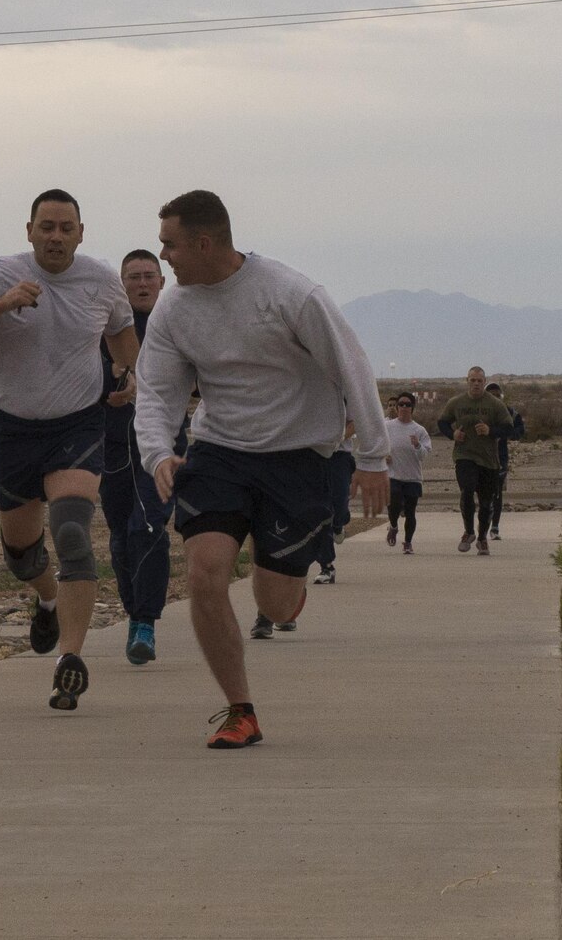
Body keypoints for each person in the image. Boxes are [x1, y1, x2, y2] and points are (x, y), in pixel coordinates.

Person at [134, 190, 388, 749]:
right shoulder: (175, 309)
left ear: (203, 243)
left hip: (297, 459)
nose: (164, 258)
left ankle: (287, 586)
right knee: (204, 572)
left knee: (273, 600)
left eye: (169, 246)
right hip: (220, 452)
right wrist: (158, 452)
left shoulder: (289, 294)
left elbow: (353, 368)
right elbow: (155, 389)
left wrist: (371, 458)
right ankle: (239, 710)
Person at [0, 188, 137, 711]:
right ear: (29, 231)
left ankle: (69, 660)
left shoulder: (100, 279)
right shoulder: (1, 273)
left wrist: (129, 370)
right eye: (46, 226)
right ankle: (47, 598)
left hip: (78, 424)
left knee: (72, 532)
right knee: (22, 555)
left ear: (80, 233)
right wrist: (0, 305)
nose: (55, 236)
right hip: (13, 430)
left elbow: (121, 333)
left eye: (65, 227)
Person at [98, 250, 188, 666]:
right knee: (120, 537)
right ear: (122, 284)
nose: (142, 283)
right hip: (114, 447)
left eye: (149, 275)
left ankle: (147, 623)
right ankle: (134, 613)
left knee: (149, 527)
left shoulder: (177, 326)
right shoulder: (104, 330)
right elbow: (84, 385)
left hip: (165, 447)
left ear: (162, 282)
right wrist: (111, 395)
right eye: (133, 277)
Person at [437, 367, 512, 555]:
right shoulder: (457, 402)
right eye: (473, 380)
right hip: (465, 455)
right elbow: (442, 422)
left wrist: (490, 431)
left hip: (488, 460)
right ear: (467, 381)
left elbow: (509, 428)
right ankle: (468, 531)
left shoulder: (495, 404)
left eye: (479, 381)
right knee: (467, 490)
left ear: (484, 382)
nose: (476, 384)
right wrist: (452, 434)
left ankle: (482, 538)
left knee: (486, 503)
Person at [309, 419, 356, 588]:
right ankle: (326, 566)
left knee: (339, 505)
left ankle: (339, 523)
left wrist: (336, 438)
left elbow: (354, 423)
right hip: (314, 456)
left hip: (340, 457)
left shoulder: (345, 394)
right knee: (320, 510)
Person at [383, 393, 431, 553]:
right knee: (394, 501)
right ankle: (394, 525)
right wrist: (383, 455)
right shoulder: (387, 427)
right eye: (401, 404)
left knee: (410, 511)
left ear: (412, 408)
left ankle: (408, 542)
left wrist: (417, 445)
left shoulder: (419, 430)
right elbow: (377, 445)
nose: (404, 407)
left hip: (412, 477)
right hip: (393, 475)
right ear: (396, 408)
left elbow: (424, 455)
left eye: (408, 405)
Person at [483, 382, 525, 539]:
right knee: (483, 494)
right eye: (491, 395)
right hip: (479, 457)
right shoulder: (478, 411)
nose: (494, 398)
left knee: (497, 494)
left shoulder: (510, 413)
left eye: (497, 395)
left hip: (500, 458)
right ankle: (483, 525)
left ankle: (494, 527)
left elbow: (520, 429)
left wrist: (506, 433)